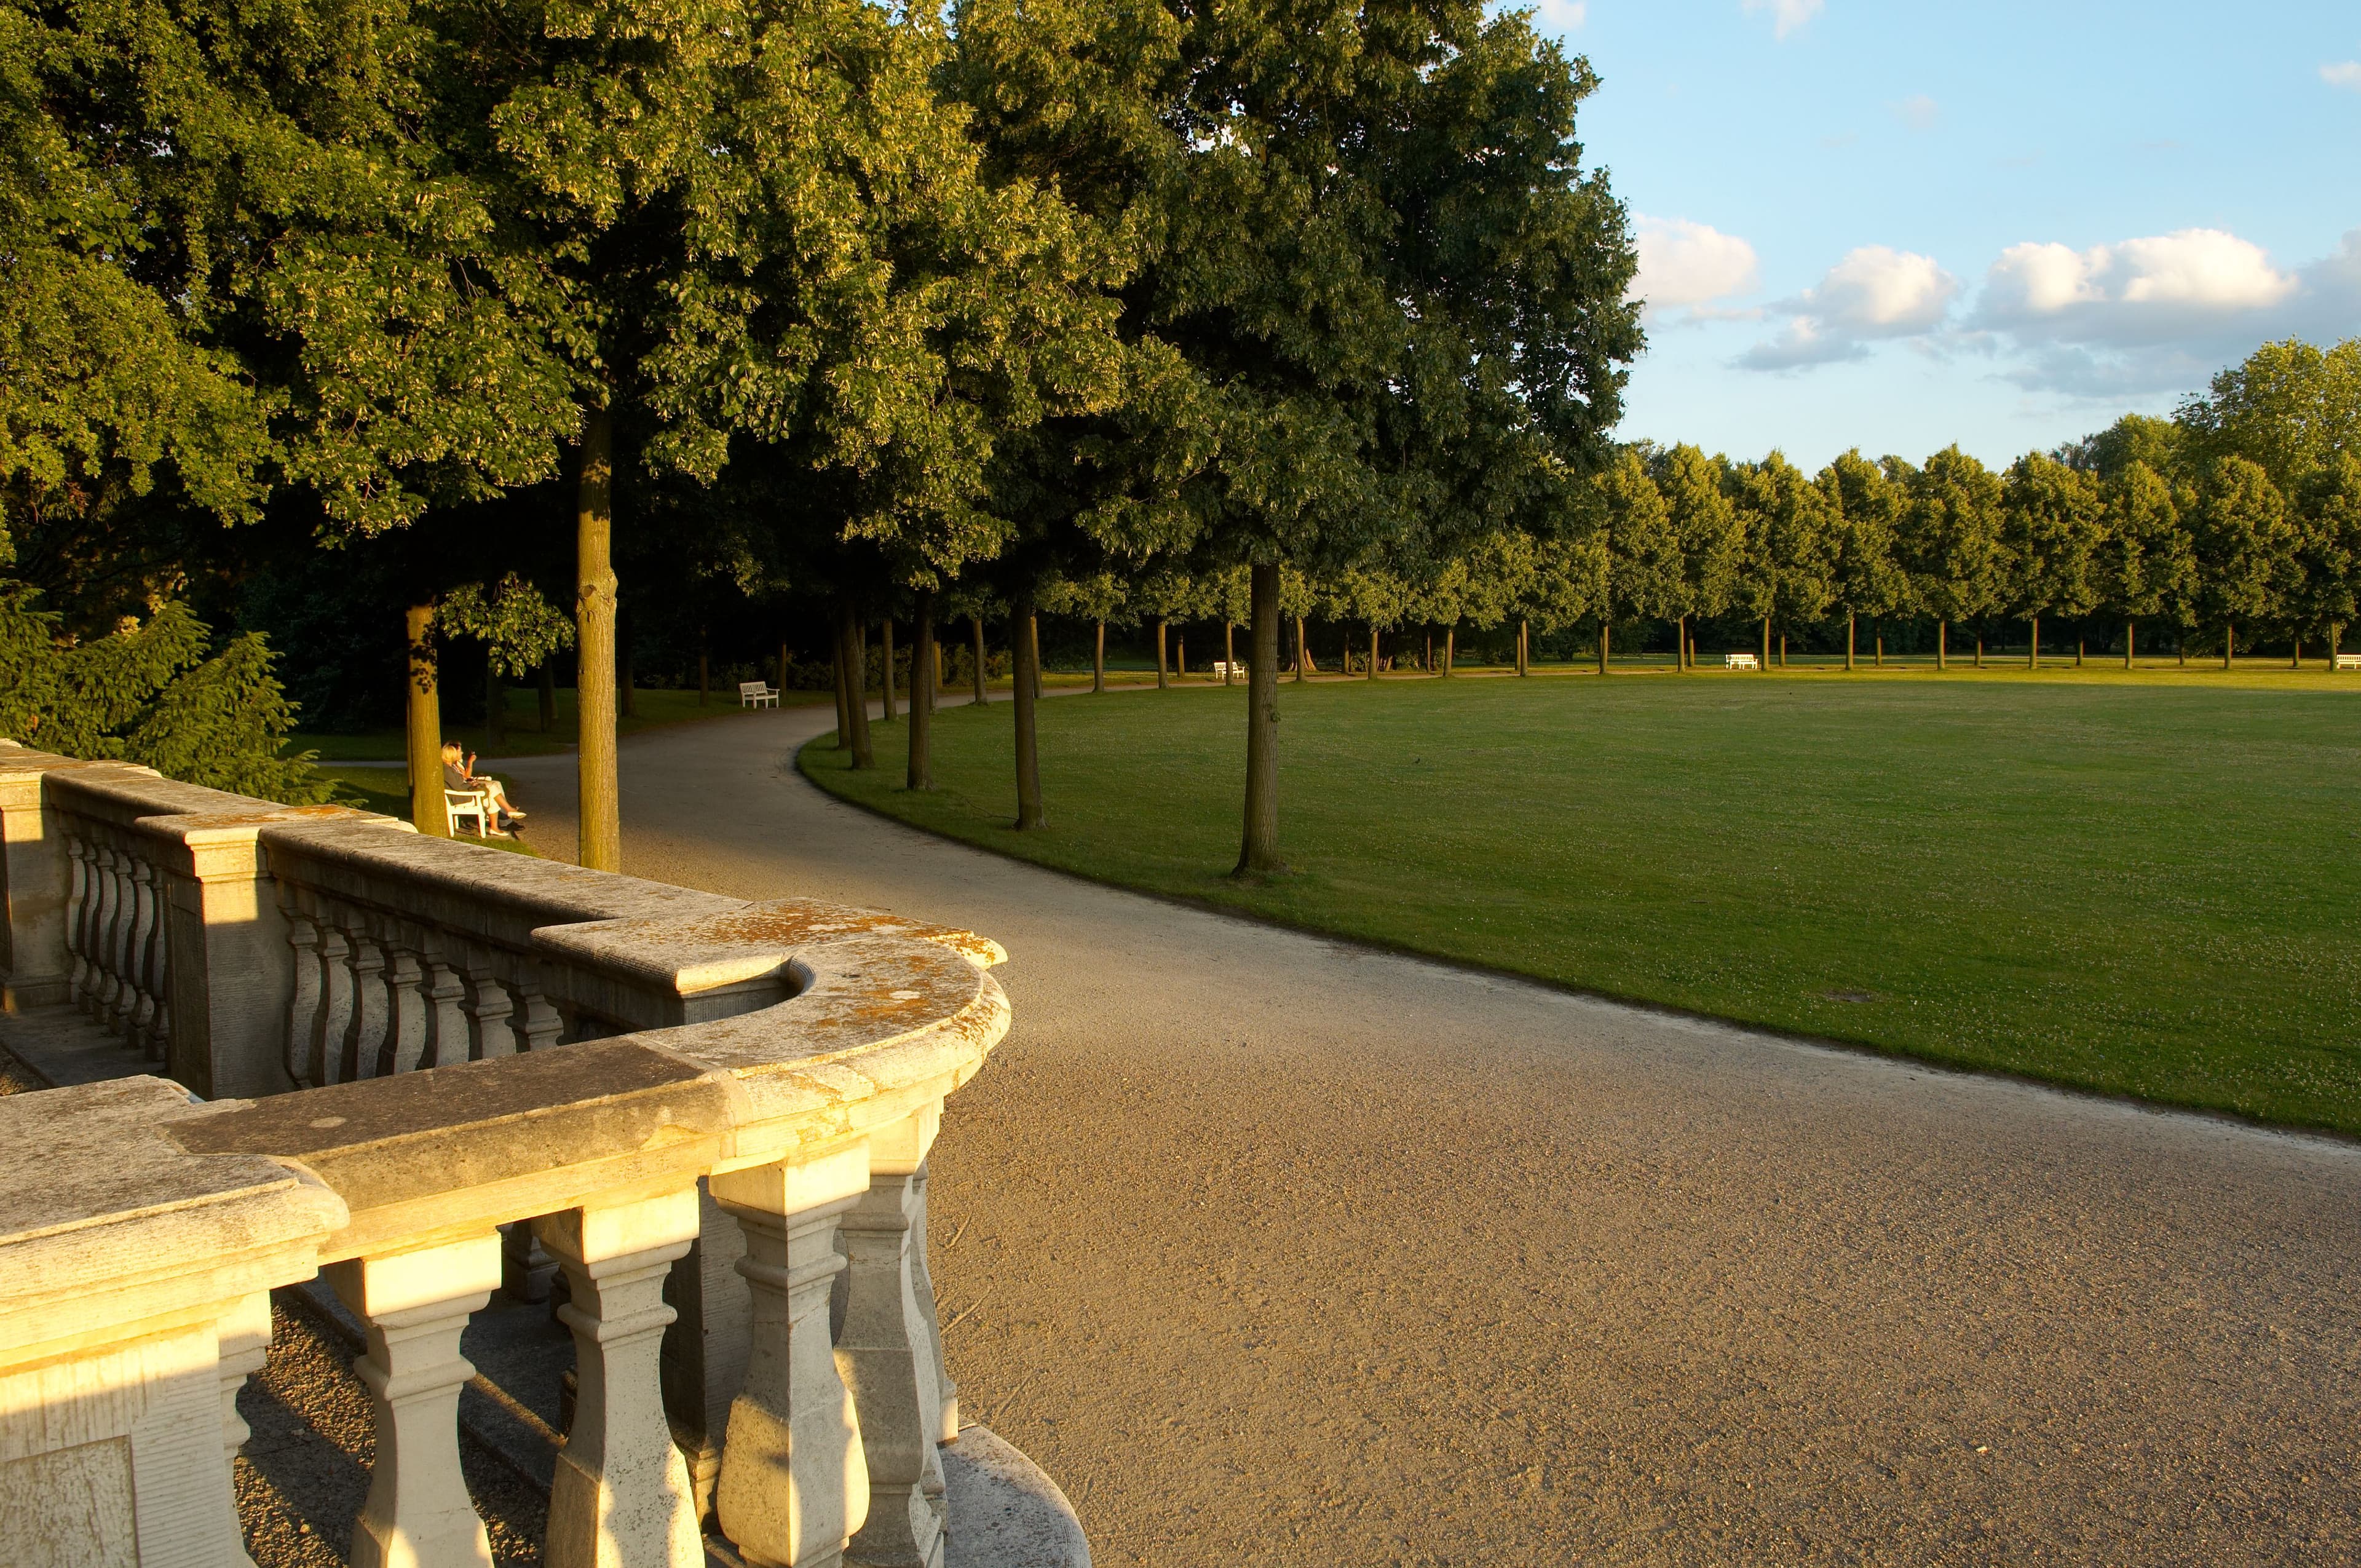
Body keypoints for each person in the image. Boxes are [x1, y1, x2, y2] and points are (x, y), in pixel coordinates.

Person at [441, 741, 526, 833]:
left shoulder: (452, 767)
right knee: (492, 790)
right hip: (462, 797)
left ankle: (500, 823)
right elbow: (459, 786)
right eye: (459, 751)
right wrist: (471, 784)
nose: (462, 753)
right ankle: (507, 814)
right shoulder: (447, 770)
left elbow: (462, 780)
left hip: (465, 791)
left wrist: (472, 784)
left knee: (494, 788)